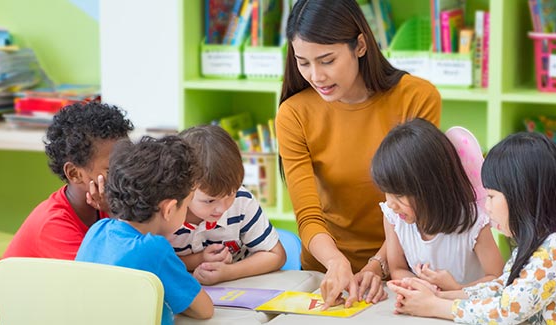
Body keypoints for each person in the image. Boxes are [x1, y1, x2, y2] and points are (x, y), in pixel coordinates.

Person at [275, 0, 442, 308]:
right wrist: (336, 263)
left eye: (327, 60)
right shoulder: (293, 114)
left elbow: (418, 203)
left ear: (360, 45)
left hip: (404, 266)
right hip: (326, 271)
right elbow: (308, 216)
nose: (316, 75)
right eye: (303, 62)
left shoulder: (416, 98)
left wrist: (379, 264)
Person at [387, 132, 556, 323]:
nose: (488, 207)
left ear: (522, 195)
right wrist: (437, 296)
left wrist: (434, 306)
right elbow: (503, 288)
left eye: (492, 197)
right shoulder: (540, 241)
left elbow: (508, 310)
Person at [0, 101, 134, 325]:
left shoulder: (101, 207)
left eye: (129, 162)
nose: (127, 175)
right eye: (113, 170)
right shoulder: (54, 225)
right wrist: (114, 211)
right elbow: (103, 288)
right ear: (75, 174)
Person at [75, 136, 214, 324]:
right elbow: (204, 310)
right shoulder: (154, 249)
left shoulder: (97, 230)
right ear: (169, 209)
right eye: (187, 206)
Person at [371, 118, 504, 291]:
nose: (391, 203)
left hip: (463, 311)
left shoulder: (473, 223)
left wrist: (454, 289)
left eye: (399, 195)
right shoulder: (394, 218)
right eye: (387, 192)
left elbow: (497, 279)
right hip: (425, 310)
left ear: (431, 187)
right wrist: (424, 287)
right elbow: (398, 269)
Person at [168, 125, 286, 285]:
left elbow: (275, 255)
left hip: (238, 290)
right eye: (209, 200)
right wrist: (198, 260)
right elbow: (154, 263)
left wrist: (228, 272)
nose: (222, 208)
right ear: (183, 188)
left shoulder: (242, 201)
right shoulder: (167, 213)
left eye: (230, 194)